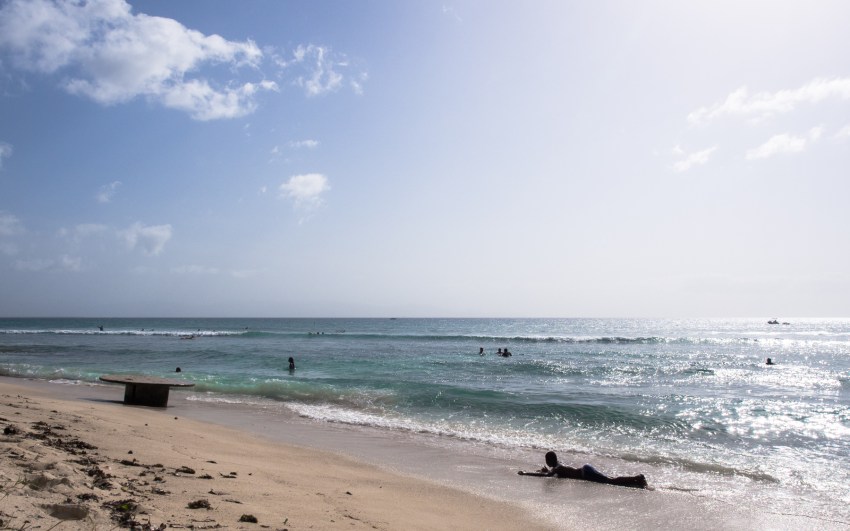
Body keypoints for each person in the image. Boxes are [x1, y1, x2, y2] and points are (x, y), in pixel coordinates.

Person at [518, 451, 647, 489]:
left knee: (610, 481)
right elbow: (549, 473)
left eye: (547, 460)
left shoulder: (557, 469)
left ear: (550, 461)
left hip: (586, 472)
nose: (546, 463)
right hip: (586, 470)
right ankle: (636, 482)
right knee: (609, 480)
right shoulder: (558, 466)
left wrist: (525, 473)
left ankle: (638, 477)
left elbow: (546, 476)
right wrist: (545, 471)